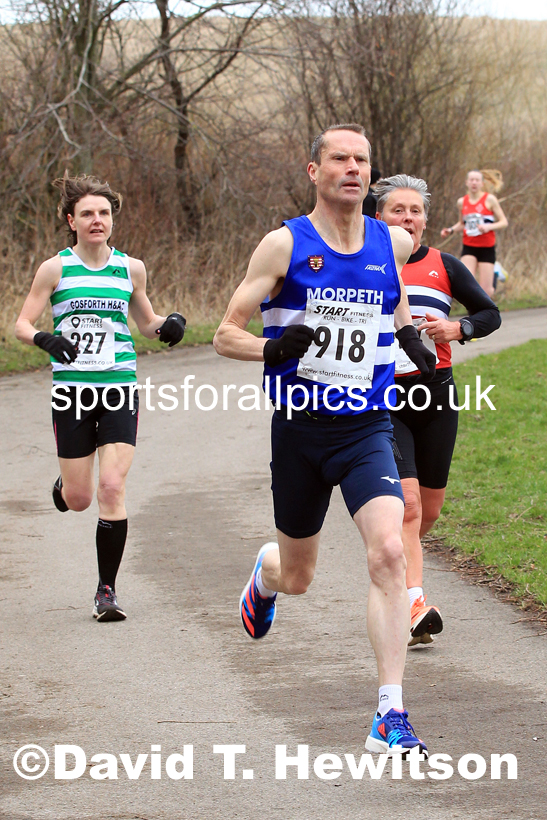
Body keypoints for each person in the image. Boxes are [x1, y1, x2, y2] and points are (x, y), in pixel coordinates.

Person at [214, 124, 437, 757]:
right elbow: (224, 333)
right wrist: (271, 347)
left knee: (390, 551)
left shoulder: (390, 241)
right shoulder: (283, 245)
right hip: (301, 431)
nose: (352, 168)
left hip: (367, 425)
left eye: (362, 160)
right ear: (314, 170)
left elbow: (387, 308)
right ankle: (266, 574)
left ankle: (388, 715)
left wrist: (410, 336)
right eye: (338, 158)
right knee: (300, 575)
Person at [15, 173, 186, 621]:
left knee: (112, 487)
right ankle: (65, 486)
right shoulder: (56, 269)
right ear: (71, 220)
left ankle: (106, 591)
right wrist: (44, 340)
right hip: (72, 392)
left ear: (113, 220)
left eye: (104, 213)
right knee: (80, 498)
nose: (97, 220)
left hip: (118, 388)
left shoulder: (131, 269)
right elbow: (21, 324)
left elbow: (147, 320)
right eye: (87, 213)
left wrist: (169, 325)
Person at [376, 174, 501, 645]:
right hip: (385, 398)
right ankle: (414, 605)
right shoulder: (365, 262)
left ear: (426, 219)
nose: (408, 218)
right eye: (397, 210)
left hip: (437, 395)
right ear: (378, 217)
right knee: (407, 507)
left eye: (415, 211)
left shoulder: (445, 264)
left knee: (428, 511)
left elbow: (490, 313)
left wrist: (459, 328)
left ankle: (397, 570)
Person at [441, 169, 508, 298]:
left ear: (482, 183)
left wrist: (488, 227)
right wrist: (450, 230)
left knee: (487, 292)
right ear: (466, 182)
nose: (474, 183)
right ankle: (474, 316)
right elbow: (462, 223)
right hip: (469, 246)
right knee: (465, 282)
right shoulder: (462, 202)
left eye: (477, 180)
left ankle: (496, 271)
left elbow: (504, 222)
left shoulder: (490, 200)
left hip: (486, 247)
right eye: (471, 180)